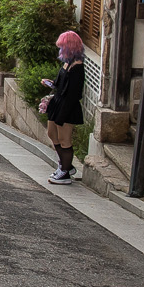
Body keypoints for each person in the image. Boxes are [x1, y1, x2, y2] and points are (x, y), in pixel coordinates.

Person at [42, 30, 89, 184]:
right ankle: (65, 165)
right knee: (51, 133)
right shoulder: (67, 63)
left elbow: (74, 93)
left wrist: (63, 114)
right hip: (57, 102)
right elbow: (60, 84)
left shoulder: (78, 67)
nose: (60, 49)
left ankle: (65, 171)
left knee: (64, 139)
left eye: (62, 46)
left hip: (67, 106)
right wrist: (51, 83)